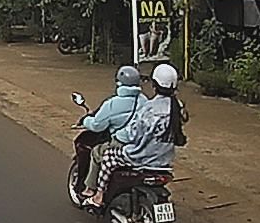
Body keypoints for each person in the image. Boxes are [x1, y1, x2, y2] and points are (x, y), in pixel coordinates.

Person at [86, 63, 187, 214]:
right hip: (164, 161)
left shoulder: (149, 108)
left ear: (154, 85)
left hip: (139, 157)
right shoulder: (177, 107)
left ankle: (98, 196)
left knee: (107, 157)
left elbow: (133, 134)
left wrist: (119, 135)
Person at [74, 65, 147, 199]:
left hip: (120, 143)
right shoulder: (144, 101)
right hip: (140, 143)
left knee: (96, 152)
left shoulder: (112, 104)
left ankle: (90, 189)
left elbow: (97, 125)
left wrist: (85, 121)